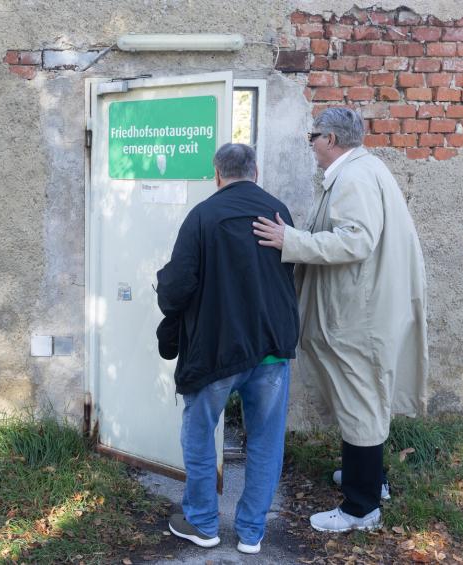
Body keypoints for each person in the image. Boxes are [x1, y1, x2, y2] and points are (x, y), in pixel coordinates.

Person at [252, 107, 428, 533]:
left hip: (359, 314)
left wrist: (290, 241)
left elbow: (357, 240)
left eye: (313, 136)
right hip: (364, 308)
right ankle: (368, 479)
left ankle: (359, 508)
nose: (310, 144)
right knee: (364, 400)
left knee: (360, 401)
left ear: (330, 139)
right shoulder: (362, 171)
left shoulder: (353, 178)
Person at [156, 143, 299, 554]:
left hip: (216, 350)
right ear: (255, 171)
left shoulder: (203, 215)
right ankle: (252, 533)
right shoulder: (278, 211)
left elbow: (178, 286)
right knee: (266, 442)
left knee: (200, 435)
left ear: (217, 175)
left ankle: (202, 524)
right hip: (271, 346)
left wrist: (165, 299)